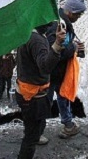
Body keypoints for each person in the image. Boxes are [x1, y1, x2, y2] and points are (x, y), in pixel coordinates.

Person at [16, 21, 66, 159]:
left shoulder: (27, 34)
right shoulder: (37, 40)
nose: (51, 25)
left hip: (24, 92)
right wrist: (57, 44)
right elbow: (45, 66)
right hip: (34, 97)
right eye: (49, 22)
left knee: (31, 129)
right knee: (31, 137)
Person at [45, 0, 87, 139]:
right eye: (78, 14)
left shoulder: (65, 24)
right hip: (50, 72)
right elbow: (53, 51)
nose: (79, 17)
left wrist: (77, 50)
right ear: (70, 12)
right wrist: (73, 48)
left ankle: (68, 125)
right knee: (46, 101)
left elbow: (66, 47)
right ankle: (35, 132)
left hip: (60, 71)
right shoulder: (56, 25)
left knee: (63, 97)